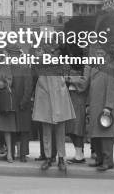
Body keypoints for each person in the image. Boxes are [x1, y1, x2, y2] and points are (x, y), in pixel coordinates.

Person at [33, 44, 76, 172]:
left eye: (55, 51)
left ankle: (61, 158)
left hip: (59, 98)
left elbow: (65, 79)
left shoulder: (61, 64)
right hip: (45, 99)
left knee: (60, 132)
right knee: (46, 131)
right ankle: (48, 157)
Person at [80, 46, 114, 172]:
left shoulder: (111, 70)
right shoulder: (93, 70)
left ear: (107, 56)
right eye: (97, 53)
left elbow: (112, 89)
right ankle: (99, 159)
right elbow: (88, 89)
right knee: (95, 135)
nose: (100, 56)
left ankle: (108, 162)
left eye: (102, 53)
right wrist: (87, 105)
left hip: (105, 108)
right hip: (94, 107)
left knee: (106, 135)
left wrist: (108, 106)